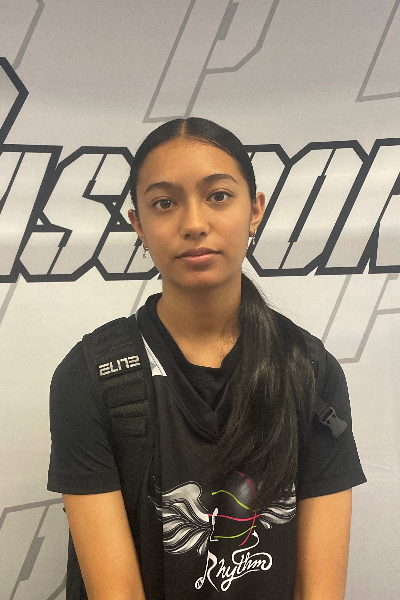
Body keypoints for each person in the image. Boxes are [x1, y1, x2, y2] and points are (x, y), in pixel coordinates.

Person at [48, 117, 366, 600]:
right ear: (138, 224)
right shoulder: (89, 377)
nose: (194, 224)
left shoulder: (310, 370)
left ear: (255, 210)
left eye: (218, 196)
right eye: (164, 203)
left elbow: (320, 589)